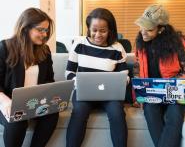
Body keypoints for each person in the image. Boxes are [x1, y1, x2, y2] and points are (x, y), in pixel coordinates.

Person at [134, 4, 185, 147]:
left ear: (161, 29)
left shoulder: (178, 43)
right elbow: (137, 72)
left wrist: (168, 87)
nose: (143, 31)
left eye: (149, 29)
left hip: (177, 93)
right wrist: (138, 95)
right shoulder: (140, 45)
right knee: (149, 109)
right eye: (142, 26)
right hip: (153, 95)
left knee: (174, 113)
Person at [65, 8, 128, 147]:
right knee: (79, 112)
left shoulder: (117, 48)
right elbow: (69, 72)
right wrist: (78, 82)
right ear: (88, 28)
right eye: (94, 30)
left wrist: (122, 81)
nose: (98, 34)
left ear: (110, 30)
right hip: (83, 92)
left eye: (103, 31)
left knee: (117, 113)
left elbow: (124, 75)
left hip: (109, 95)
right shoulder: (79, 44)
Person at [0, 8, 59, 147]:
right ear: (25, 28)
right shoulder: (4, 47)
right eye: (40, 30)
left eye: (46, 30)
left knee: (52, 116)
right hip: (6, 103)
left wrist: (53, 97)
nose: (45, 34)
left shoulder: (44, 51)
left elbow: (49, 80)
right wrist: (6, 102)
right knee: (18, 121)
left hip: (33, 101)